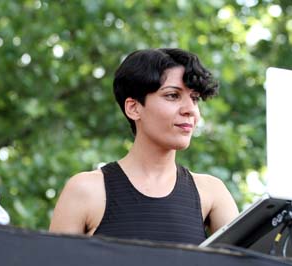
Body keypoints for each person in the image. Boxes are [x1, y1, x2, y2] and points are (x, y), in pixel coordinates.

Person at [50, 48, 238, 243]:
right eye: (173, 95)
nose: (190, 109)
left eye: (195, 98)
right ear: (134, 108)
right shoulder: (85, 190)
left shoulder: (212, 192)